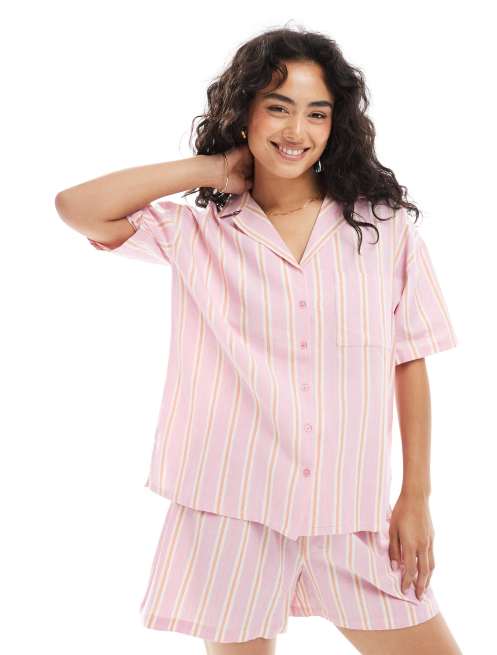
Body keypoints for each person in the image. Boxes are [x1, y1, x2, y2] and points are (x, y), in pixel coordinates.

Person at [55, 24, 463, 655]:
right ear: (244, 112)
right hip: (231, 507)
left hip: (348, 511)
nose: (297, 130)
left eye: (317, 113)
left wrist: (416, 494)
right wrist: (213, 169)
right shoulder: (198, 233)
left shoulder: (383, 231)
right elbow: (77, 206)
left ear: (335, 126)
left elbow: (409, 360)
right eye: (278, 107)